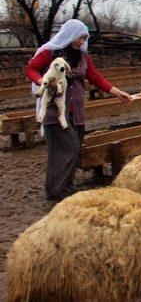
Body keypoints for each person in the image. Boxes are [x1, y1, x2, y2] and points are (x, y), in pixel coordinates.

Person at [25, 19, 133, 200]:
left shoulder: (83, 57)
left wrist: (117, 92)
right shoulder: (50, 53)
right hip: (56, 111)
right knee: (71, 148)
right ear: (70, 35)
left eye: (84, 38)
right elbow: (30, 69)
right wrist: (41, 82)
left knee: (66, 151)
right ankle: (58, 190)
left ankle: (60, 187)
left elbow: (96, 77)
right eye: (79, 38)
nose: (82, 42)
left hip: (76, 113)